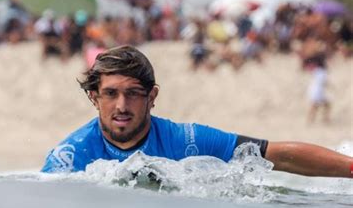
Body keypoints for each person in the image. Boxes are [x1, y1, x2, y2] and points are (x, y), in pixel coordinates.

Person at [42, 46, 352, 178]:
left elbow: (277, 155)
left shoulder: (185, 141)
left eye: (133, 94)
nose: (121, 106)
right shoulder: (70, 156)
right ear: (95, 98)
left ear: (152, 97)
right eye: (111, 94)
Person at [307, 57, 330, 124]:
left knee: (315, 106)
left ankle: (311, 120)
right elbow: (324, 82)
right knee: (323, 105)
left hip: (313, 90)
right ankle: (325, 119)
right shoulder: (323, 72)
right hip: (318, 92)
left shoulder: (317, 70)